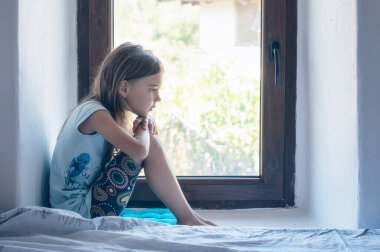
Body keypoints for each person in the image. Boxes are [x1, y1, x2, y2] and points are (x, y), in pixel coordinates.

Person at [49, 42, 214, 226]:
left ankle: (189, 216)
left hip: (85, 205)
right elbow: (139, 151)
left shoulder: (101, 112)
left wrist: (143, 127)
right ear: (124, 88)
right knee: (148, 141)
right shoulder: (95, 114)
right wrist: (143, 127)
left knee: (148, 140)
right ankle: (187, 218)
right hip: (78, 212)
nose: (158, 98)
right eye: (152, 89)